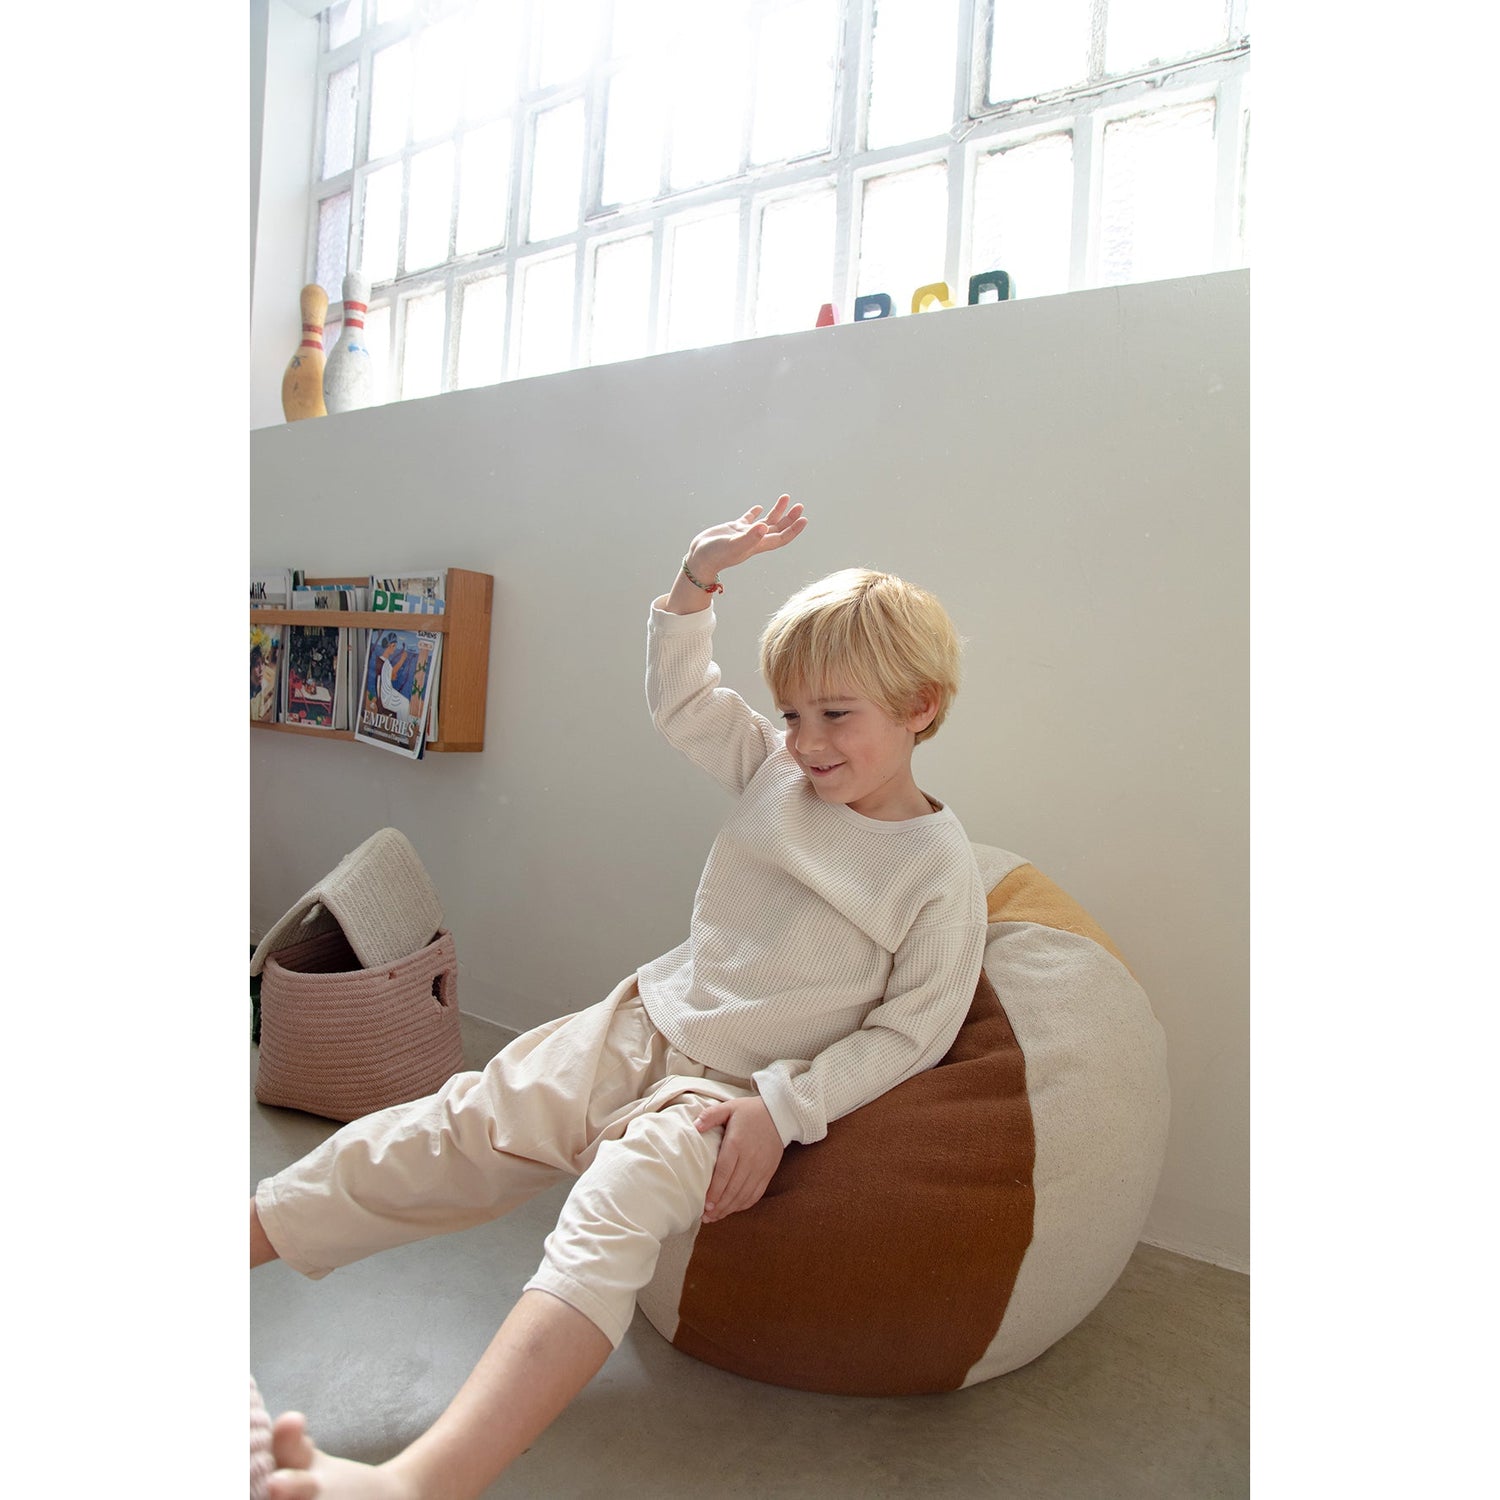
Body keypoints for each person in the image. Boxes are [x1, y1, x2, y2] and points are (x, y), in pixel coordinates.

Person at [254, 495, 987, 1499]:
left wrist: (783, 1110)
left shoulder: (938, 872)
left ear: (921, 708)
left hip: (727, 1099)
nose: (808, 742)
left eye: (837, 715)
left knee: (605, 1220)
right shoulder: (777, 773)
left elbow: (912, 1034)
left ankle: (419, 1482)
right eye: (792, 714)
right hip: (643, 1021)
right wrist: (696, 577)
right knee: (456, 1126)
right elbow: (685, 701)